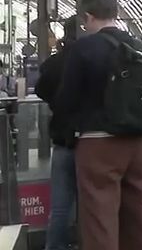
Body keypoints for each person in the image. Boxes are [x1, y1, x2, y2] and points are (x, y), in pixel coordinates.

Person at [55, 0, 142, 250]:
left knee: (99, 218)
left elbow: (66, 99)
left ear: (89, 17)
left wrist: (64, 133)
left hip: (97, 144)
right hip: (138, 143)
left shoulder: (84, 48)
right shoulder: (139, 46)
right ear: (115, 14)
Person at [35, 17, 80, 250]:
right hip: (91, 142)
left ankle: (55, 246)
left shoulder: (54, 63)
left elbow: (40, 89)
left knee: (60, 205)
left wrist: (57, 102)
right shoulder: (92, 58)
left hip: (62, 139)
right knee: (93, 202)